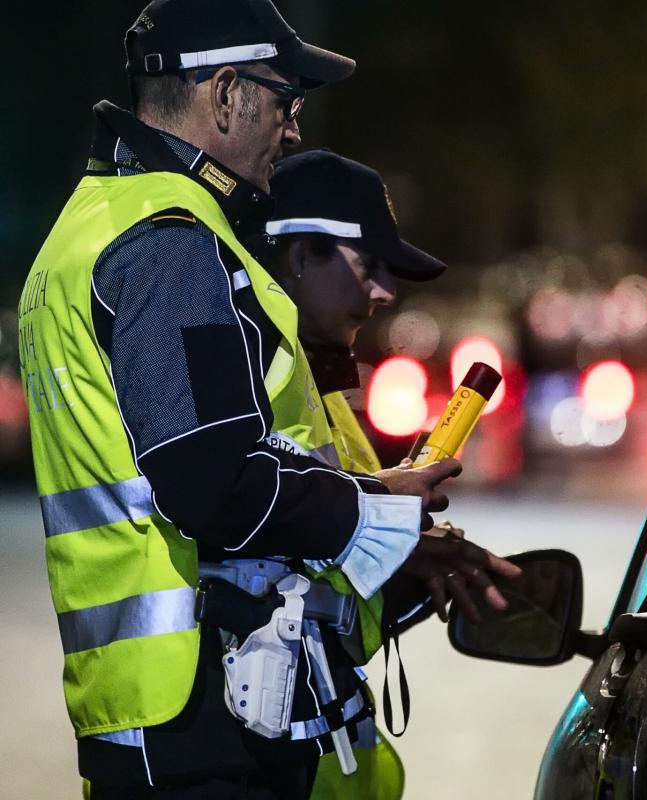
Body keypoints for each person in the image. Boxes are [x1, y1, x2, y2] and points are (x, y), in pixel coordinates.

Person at [17, 1, 519, 797]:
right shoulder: (170, 242)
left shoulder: (85, 230)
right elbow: (213, 478)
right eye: (286, 101)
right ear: (224, 93)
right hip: (200, 707)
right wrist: (377, 507)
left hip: (149, 705)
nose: (292, 131)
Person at [259, 149, 464, 799]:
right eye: (367, 267)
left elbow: (323, 567)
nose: (384, 292)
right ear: (298, 257)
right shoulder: (249, 370)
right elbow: (252, 535)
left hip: (317, 734)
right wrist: (381, 508)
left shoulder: (322, 379)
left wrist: (408, 555)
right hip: (269, 743)